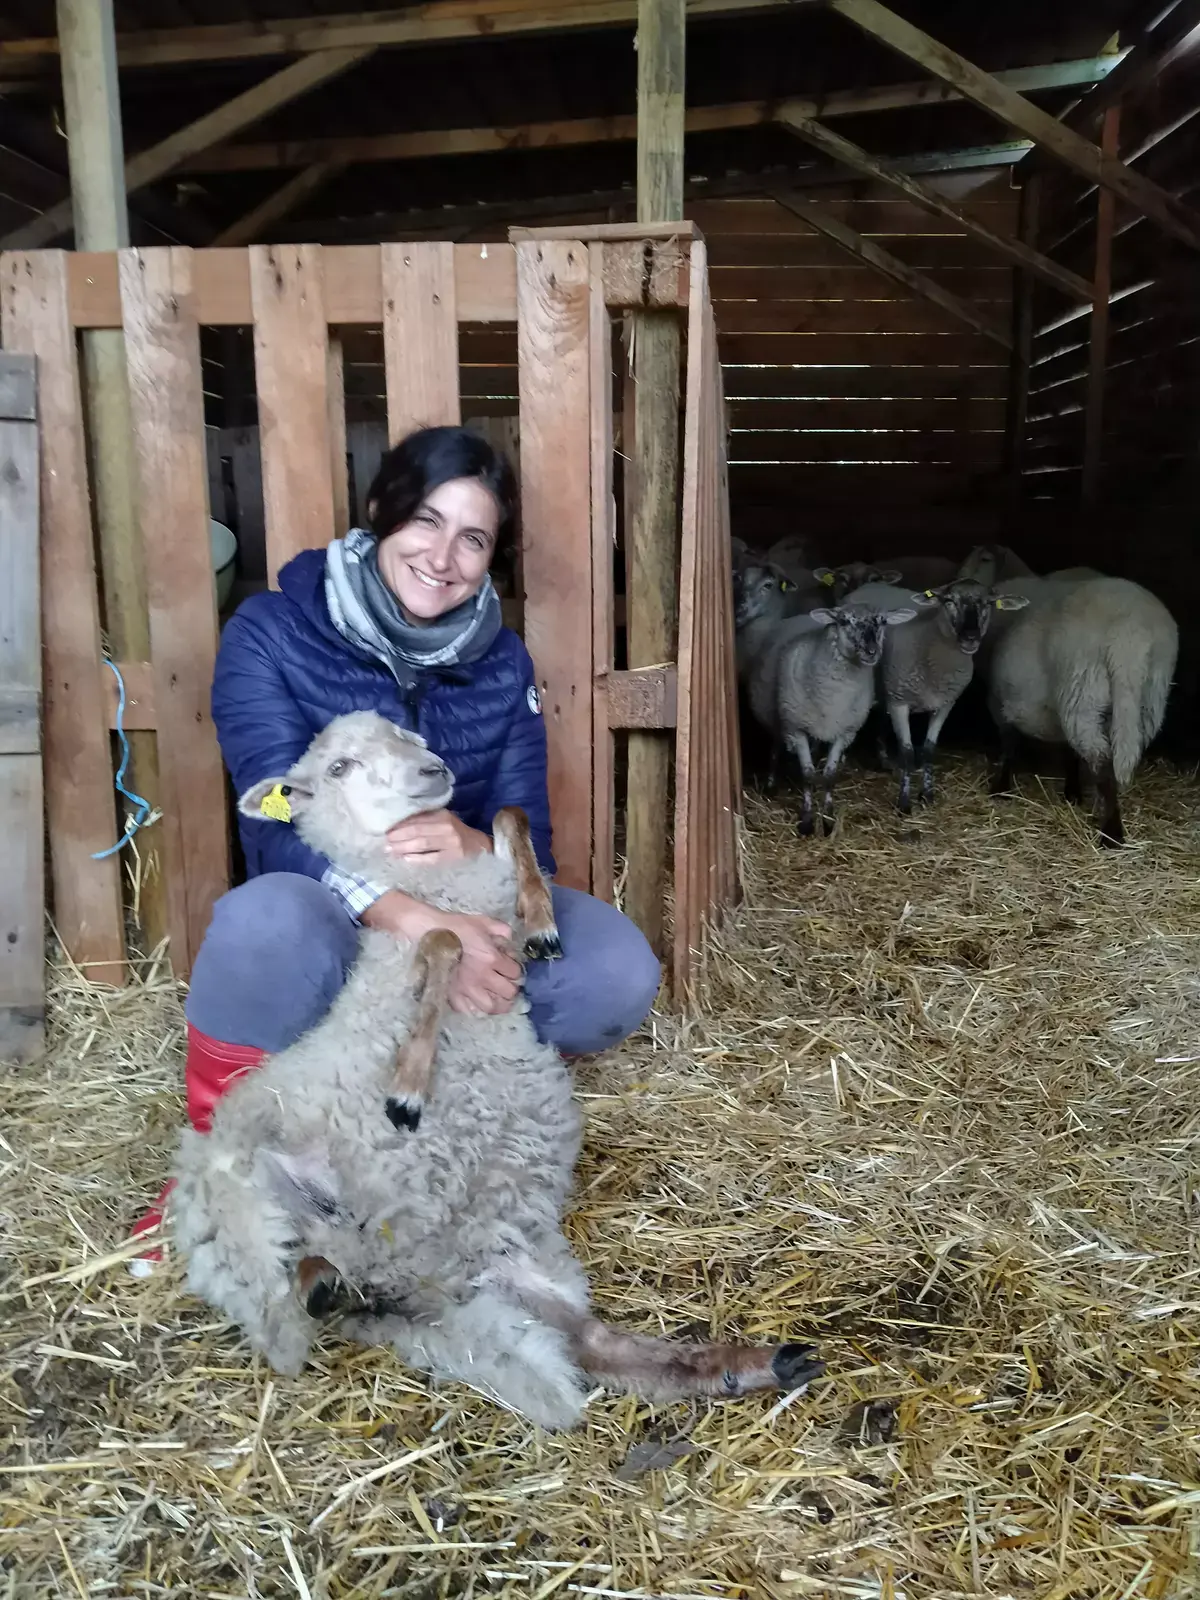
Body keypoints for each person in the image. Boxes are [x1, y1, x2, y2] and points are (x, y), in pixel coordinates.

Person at [133, 425, 660, 1258]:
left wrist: (472, 848)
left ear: (493, 557)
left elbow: (532, 839)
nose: (443, 556)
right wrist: (413, 922)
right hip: (338, 907)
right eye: (425, 519)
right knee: (262, 922)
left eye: (473, 538)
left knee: (615, 972)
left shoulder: (503, 663)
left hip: (463, 896)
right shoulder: (269, 632)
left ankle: (445, 1124)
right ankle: (218, 1164)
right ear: (381, 512)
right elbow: (272, 821)